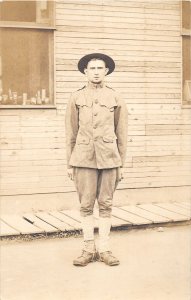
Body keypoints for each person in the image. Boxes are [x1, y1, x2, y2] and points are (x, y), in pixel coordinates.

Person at [65, 53, 127, 266]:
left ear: (106, 71)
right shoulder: (76, 97)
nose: (96, 72)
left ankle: (104, 249)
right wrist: (70, 163)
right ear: (85, 72)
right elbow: (70, 134)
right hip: (83, 159)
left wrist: (121, 164)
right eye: (92, 68)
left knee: (106, 204)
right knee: (85, 205)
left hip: (110, 159)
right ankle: (88, 249)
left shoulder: (116, 97)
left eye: (100, 68)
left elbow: (122, 134)